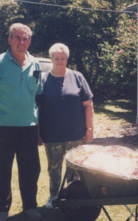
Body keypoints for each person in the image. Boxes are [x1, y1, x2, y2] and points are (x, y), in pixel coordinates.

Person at [0, 23, 43, 221]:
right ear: (9, 40)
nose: (21, 42)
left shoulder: (36, 64)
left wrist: (38, 126)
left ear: (30, 41)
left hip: (29, 127)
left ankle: (30, 206)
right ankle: (2, 210)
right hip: (3, 128)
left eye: (25, 39)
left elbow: (38, 96)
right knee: (3, 169)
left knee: (31, 169)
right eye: (17, 38)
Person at [37, 43, 94, 209]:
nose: (60, 61)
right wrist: (38, 133)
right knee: (54, 169)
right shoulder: (43, 80)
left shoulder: (77, 77)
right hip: (52, 136)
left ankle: (73, 197)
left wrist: (89, 129)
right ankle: (54, 196)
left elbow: (88, 104)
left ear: (67, 59)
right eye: (56, 58)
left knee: (75, 170)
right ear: (51, 59)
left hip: (76, 135)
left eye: (63, 59)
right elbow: (38, 109)